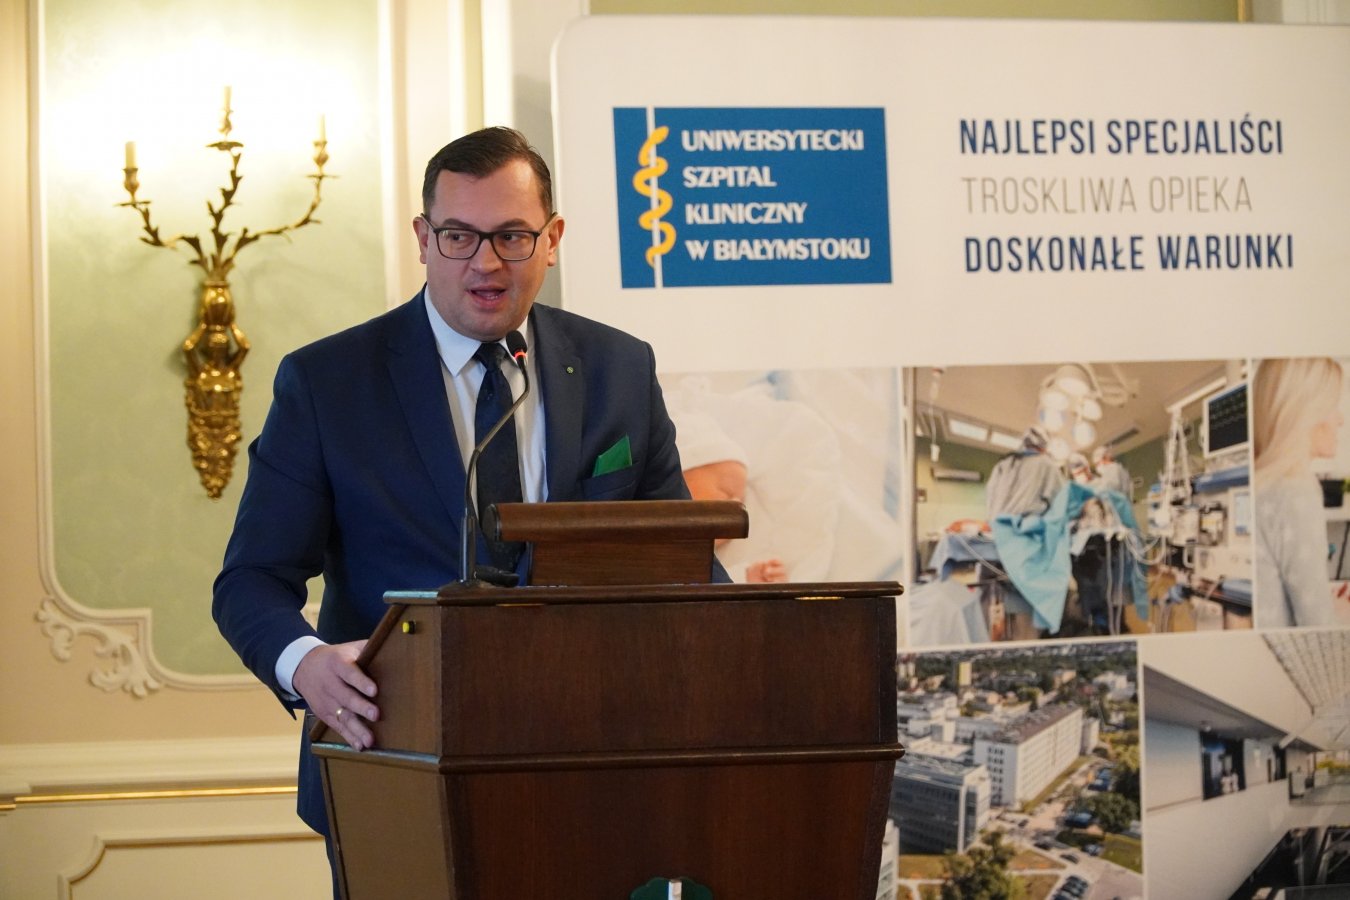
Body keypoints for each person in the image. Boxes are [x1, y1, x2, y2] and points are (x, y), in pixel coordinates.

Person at [212, 127, 703, 865]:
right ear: (423, 239)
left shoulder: (619, 368)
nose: (485, 262)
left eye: (512, 236)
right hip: (395, 769)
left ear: (552, 239)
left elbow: (682, 561)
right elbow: (251, 579)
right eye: (458, 236)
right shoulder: (329, 383)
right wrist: (305, 664)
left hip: (594, 771)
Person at [1253, 357, 1345, 628]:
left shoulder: (1263, 485)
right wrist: (1340, 614)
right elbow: (1317, 626)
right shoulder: (1295, 491)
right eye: (1333, 407)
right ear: (1307, 411)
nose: (1340, 420)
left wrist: (1327, 604)